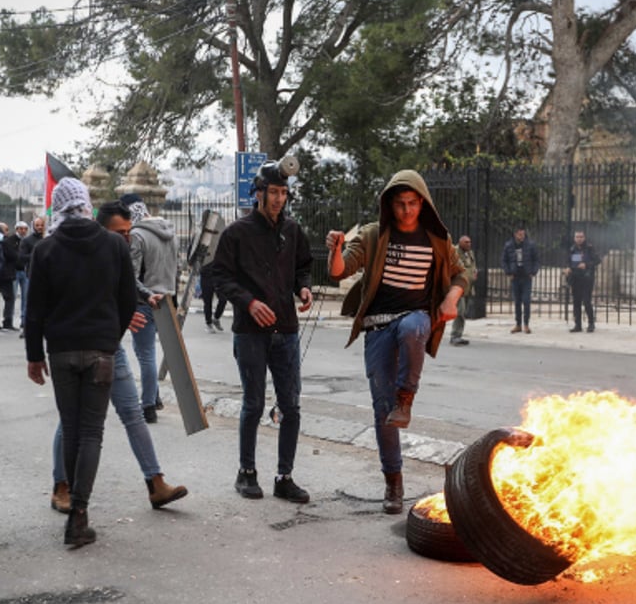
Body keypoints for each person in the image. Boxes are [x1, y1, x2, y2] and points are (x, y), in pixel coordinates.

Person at [326, 171, 467, 514]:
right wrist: (337, 249)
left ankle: (407, 398)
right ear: (390, 204)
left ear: (423, 203)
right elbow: (339, 272)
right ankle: (394, 482)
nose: (406, 210)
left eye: (413, 203)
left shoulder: (436, 239)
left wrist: (451, 300)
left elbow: (460, 273)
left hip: (415, 318)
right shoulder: (375, 236)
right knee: (381, 412)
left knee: (413, 327)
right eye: (400, 204)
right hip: (376, 328)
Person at [47, 201, 188, 514]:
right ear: (99, 229)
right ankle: (62, 486)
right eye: (118, 232)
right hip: (81, 348)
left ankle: (155, 482)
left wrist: (144, 297)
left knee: (132, 413)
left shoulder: (118, 253)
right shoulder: (81, 256)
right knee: (71, 421)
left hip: (112, 347)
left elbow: (127, 283)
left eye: (127, 232)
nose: (124, 239)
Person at [24, 178, 136, 548]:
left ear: (58, 206)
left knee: (72, 430)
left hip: (60, 351)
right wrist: (110, 338)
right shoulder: (114, 245)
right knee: (92, 433)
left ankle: (72, 499)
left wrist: (34, 356)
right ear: (87, 204)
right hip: (101, 350)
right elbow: (127, 301)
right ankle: (79, 515)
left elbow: (34, 309)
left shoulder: (46, 248)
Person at [214, 160, 314, 503]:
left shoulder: (293, 230)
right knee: (253, 403)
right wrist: (249, 302)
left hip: (286, 329)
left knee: (291, 405)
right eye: (273, 192)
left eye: (284, 193)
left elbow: (303, 266)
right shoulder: (236, 233)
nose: (278, 199)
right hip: (250, 331)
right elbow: (220, 277)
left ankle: (284, 476)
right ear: (258, 193)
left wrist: (304, 288)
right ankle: (247, 472)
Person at [121, 195, 182, 424]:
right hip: (167, 299)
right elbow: (176, 269)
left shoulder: (137, 235)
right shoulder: (169, 232)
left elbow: (132, 275)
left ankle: (147, 406)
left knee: (145, 354)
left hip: (146, 301)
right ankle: (154, 398)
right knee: (154, 354)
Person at [501, 226, 539, 334]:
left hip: (526, 276)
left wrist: (533, 272)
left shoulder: (530, 245)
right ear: (515, 234)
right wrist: (508, 272)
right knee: (517, 301)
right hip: (515, 276)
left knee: (526, 301)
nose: (522, 236)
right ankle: (518, 324)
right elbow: (504, 261)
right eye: (520, 234)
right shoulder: (509, 245)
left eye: (523, 234)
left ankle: (526, 324)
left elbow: (536, 260)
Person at [565, 229, 601, 333]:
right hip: (576, 278)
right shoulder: (572, 249)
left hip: (587, 278)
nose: (579, 239)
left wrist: (586, 264)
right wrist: (568, 268)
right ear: (574, 238)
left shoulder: (589, 248)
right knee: (576, 302)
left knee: (586, 301)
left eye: (581, 237)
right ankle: (578, 325)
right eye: (577, 237)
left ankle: (591, 323)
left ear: (584, 238)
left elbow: (597, 260)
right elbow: (569, 261)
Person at [17, 216, 46, 337]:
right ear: (33, 226)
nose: (39, 227)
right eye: (37, 225)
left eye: (41, 225)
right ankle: (26, 327)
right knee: (29, 303)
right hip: (32, 275)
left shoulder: (48, 239)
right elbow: (22, 257)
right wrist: (36, 255)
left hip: (47, 276)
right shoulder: (27, 241)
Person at [450, 235, 478, 346]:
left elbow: (472, 265)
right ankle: (455, 336)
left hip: (468, 287)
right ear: (460, 243)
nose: (469, 244)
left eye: (470, 242)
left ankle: (459, 335)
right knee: (460, 311)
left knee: (463, 312)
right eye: (466, 242)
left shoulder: (470, 253)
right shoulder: (454, 252)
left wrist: (474, 272)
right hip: (457, 286)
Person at [0, 222, 19, 332]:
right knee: (9, 299)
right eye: (5, 229)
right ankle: (7, 322)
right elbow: (13, 256)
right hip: (5, 274)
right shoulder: (6, 242)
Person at [200, 259, 227, 332]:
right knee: (208, 301)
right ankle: (209, 323)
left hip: (218, 275)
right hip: (206, 275)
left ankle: (216, 318)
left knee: (223, 299)